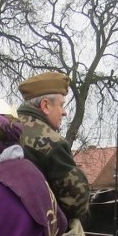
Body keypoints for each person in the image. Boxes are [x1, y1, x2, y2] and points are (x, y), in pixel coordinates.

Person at [17, 71, 91, 222]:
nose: (64, 112)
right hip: (38, 235)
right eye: (61, 105)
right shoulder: (52, 142)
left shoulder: (5, 128)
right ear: (45, 106)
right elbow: (78, 203)